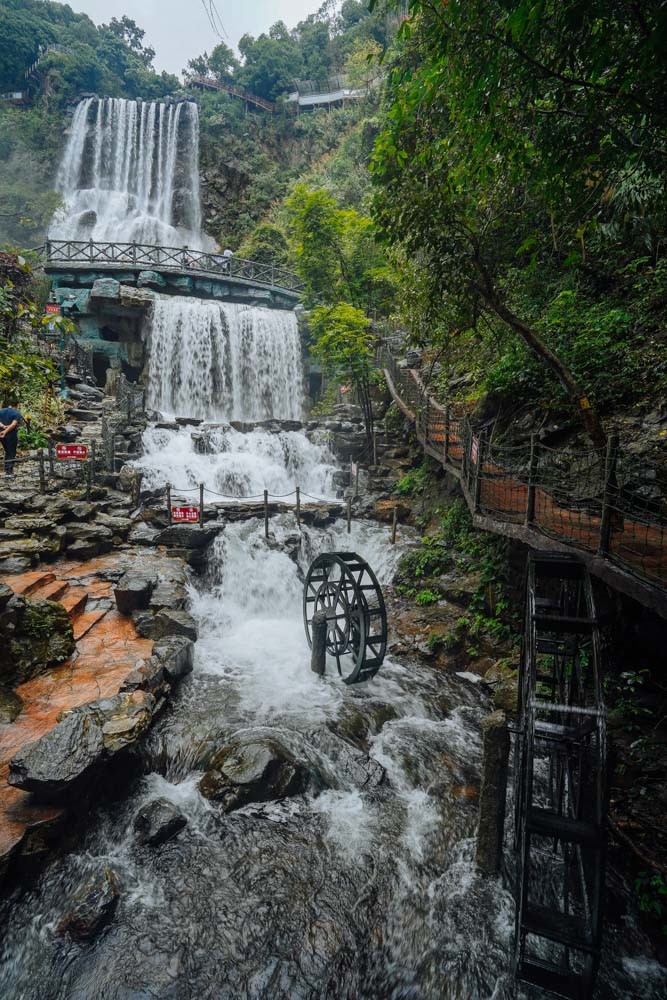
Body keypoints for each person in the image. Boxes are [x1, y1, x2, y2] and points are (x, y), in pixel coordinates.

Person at [0, 399, 22, 478]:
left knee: (7, 451)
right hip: (11, 435)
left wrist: (2, 426)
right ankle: (9, 472)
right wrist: (5, 431)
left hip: (1, 435)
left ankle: (7, 470)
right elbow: (13, 424)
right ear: (16, 405)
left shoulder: (1, 411)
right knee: (11, 452)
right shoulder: (16, 413)